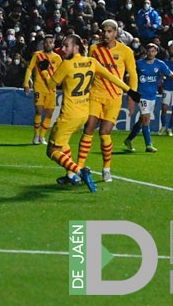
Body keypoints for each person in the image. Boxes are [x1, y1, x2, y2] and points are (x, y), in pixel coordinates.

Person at [45, 34, 140, 192]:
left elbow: (50, 85)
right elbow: (111, 77)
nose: (63, 49)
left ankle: (79, 171)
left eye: (66, 45)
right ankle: (71, 175)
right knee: (64, 144)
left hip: (68, 114)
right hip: (83, 113)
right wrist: (129, 91)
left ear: (76, 47)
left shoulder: (66, 64)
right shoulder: (92, 62)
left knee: (53, 150)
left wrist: (45, 69)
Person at [76, 19, 138, 183]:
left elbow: (132, 75)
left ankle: (106, 168)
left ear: (116, 33)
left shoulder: (126, 51)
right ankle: (79, 167)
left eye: (110, 31)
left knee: (104, 133)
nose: (106, 34)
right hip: (95, 94)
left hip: (114, 97)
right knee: (88, 127)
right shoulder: (94, 49)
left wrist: (132, 97)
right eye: (104, 31)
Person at [124, 44, 173, 152]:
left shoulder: (160, 64)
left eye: (153, 51)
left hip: (152, 96)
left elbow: (171, 74)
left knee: (141, 121)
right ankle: (148, 145)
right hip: (141, 95)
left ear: (156, 52)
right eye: (149, 51)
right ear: (146, 51)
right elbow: (129, 75)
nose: (151, 53)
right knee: (146, 118)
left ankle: (129, 140)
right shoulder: (139, 63)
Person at [23, 34, 62, 145]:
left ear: (53, 44)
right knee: (39, 111)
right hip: (39, 87)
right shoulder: (37, 55)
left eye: (50, 42)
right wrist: (26, 82)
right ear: (43, 44)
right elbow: (29, 68)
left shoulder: (57, 58)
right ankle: (36, 135)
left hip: (51, 89)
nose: (48, 44)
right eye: (46, 42)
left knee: (49, 114)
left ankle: (42, 136)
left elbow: (60, 72)